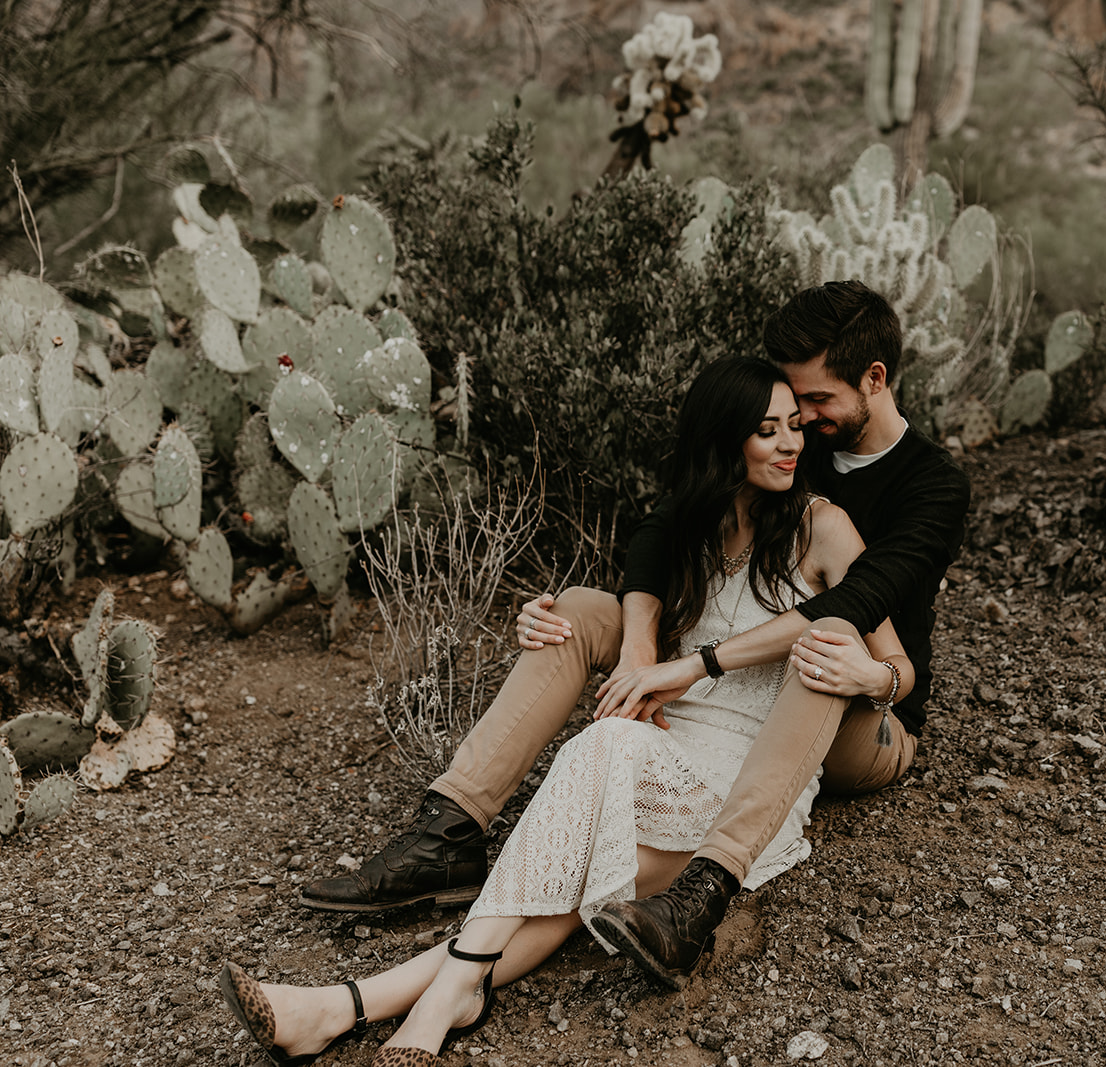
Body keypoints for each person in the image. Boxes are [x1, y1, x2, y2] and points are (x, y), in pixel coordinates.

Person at [223, 357, 913, 1065]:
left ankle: (373, 1003)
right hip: (665, 754)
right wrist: (542, 619)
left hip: (746, 791)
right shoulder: (690, 529)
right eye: (767, 431)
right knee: (569, 854)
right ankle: (361, 1005)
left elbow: (899, 664)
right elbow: (620, 609)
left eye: (795, 426)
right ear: (724, 442)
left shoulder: (823, 529)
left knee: (580, 811)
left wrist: (872, 674)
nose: (791, 444)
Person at [300, 279, 970, 989]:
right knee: (585, 608)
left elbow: (861, 599)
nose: (799, 419)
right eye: (789, 406)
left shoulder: (932, 485)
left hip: (866, 711)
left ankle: (702, 893)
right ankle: (450, 832)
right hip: (747, 698)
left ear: (875, 378)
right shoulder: (792, 444)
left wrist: (700, 668)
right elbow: (668, 520)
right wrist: (640, 648)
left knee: (826, 646)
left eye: (815, 402)